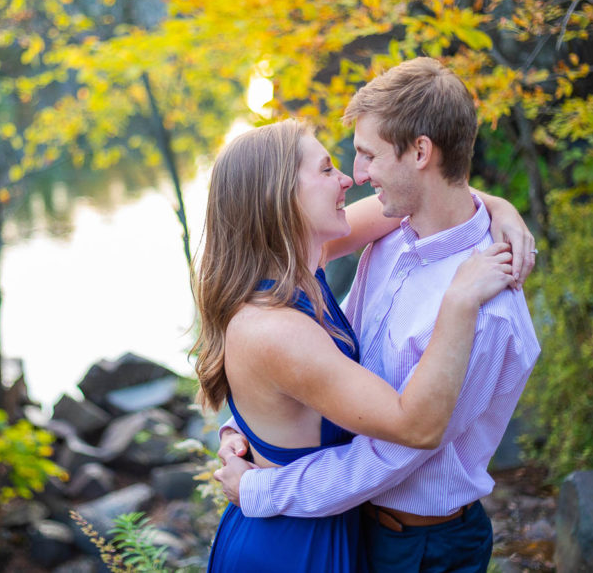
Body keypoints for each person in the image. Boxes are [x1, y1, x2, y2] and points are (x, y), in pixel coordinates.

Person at [214, 57, 541, 573]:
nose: (355, 175)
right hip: (351, 526)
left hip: (422, 546)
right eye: (334, 165)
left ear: (420, 152)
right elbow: (319, 361)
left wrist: (262, 487)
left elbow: (396, 447)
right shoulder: (390, 235)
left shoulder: (485, 305)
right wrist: (256, 424)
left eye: (366, 156)